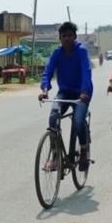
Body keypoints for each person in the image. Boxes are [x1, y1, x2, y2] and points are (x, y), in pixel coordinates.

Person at [38, 21, 94, 171]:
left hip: (82, 92)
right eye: (64, 36)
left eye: (70, 35)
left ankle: (83, 150)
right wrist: (44, 89)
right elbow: (48, 71)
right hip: (65, 91)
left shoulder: (81, 51)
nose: (67, 38)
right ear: (60, 38)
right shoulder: (57, 53)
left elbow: (86, 72)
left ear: (75, 36)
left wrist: (84, 92)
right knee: (53, 117)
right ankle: (55, 156)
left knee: (77, 121)